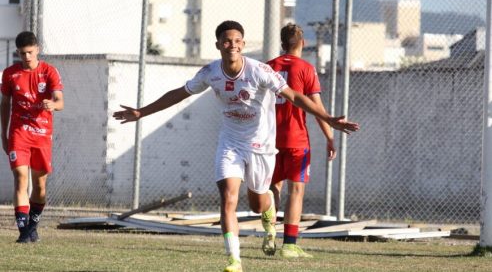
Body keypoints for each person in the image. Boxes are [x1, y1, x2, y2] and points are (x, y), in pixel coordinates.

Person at [113, 20, 359, 272]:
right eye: (227, 41)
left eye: (237, 41)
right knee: (228, 197)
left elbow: (295, 96)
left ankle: (268, 208)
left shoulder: (260, 71)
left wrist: (329, 119)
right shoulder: (210, 72)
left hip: (261, 146)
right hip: (230, 144)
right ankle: (234, 260)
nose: (232, 45)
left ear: (242, 44)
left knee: (257, 203)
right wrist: (142, 112)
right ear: (218, 44)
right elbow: (180, 93)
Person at [267, 23, 337, 258]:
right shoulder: (306, 69)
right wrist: (330, 137)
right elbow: (317, 108)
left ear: (281, 43)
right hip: (296, 139)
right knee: (295, 191)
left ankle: (269, 233)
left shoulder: (267, 67)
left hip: (268, 140)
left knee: (272, 189)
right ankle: (289, 245)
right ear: (303, 43)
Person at [1, 31, 64, 243]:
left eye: (29, 52)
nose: (26, 57)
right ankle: (23, 233)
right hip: (19, 132)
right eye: (21, 54)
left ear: (37, 48)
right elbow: (5, 105)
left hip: (42, 134)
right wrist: (4, 133)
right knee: (20, 179)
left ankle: (32, 227)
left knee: (40, 186)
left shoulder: (49, 72)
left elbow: (60, 101)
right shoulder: (10, 74)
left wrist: (53, 105)